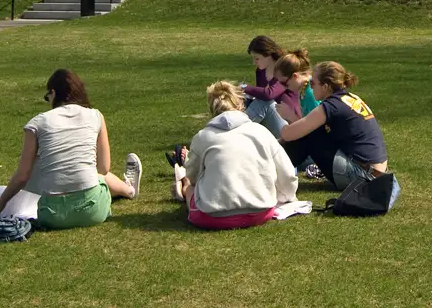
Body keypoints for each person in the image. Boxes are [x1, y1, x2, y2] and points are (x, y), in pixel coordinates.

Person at [0, 68, 142, 230]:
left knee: (40, 163)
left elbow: (22, 176)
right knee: (96, 176)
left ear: (53, 93)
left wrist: (1, 203)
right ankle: (129, 190)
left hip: (52, 216)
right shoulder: (95, 115)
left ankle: (129, 189)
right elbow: (103, 168)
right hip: (93, 212)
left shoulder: (37, 123)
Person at [171, 81, 297, 230]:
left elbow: (193, 176)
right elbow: (287, 173)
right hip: (261, 211)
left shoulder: (203, 137)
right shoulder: (261, 132)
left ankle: (183, 189)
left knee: (190, 187)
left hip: (212, 217)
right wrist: (286, 197)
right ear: (240, 104)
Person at [279, 62, 399, 207]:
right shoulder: (350, 98)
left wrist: (288, 118)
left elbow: (289, 134)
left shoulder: (331, 106)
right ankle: (273, 174)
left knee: (310, 136)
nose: (310, 86)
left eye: (313, 83)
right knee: (313, 133)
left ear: (326, 86)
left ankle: (271, 175)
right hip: (374, 172)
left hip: (362, 175)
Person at [242, 46, 312, 137]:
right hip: (292, 131)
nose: (283, 86)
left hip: (300, 140)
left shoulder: (310, 94)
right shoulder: (303, 90)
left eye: (284, 83)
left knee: (265, 103)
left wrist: (290, 116)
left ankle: (233, 133)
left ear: (295, 76)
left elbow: (313, 133)